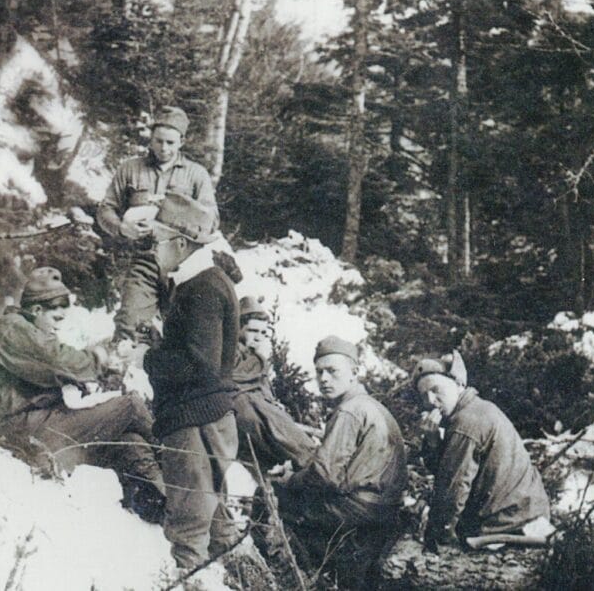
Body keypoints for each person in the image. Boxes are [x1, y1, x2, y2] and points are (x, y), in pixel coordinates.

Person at [0, 267, 166, 522]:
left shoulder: (24, 331)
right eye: (56, 319)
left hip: (36, 426)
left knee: (130, 440)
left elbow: (57, 366)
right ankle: (181, 463)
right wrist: (100, 357)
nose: (57, 328)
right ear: (36, 311)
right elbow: (60, 362)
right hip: (22, 430)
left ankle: (163, 501)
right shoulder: (12, 328)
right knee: (130, 406)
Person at [142, 193, 241, 570]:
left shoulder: (201, 287)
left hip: (193, 420)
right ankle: (241, 576)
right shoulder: (199, 281)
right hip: (207, 415)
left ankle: (190, 580)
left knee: (189, 525)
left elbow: (200, 365)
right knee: (216, 519)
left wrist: (147, 357)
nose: (152, 250)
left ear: (181, 243)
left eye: (156, 241)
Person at [263, 335, 407, 588]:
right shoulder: (371, 406)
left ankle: (303, 578)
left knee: (280, 502)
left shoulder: (349, 411)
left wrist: (289, 480)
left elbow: (325, 476)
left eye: (332, 371)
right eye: (319, 372)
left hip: (360, 509)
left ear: (354, 372)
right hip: (385, 508)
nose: (324, 379)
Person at [96, 106, 216, 343]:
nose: (164, 148)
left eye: (171, 142)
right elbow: (105, 209)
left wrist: (180, 218)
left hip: (185, 266)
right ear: (150, 139)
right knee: (129, 324)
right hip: (145, 259)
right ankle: (115, 377)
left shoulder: (196, 174)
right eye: (159, 141)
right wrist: (122, 228)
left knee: (187, 335)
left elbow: (211, 219)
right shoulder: (130, 169)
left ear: (182, 141)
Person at [415, 355, 552, 550]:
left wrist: (440, 535)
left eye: (436, 390)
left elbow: (453, 487)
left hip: (510, 524)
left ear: (459, 384)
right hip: (524, 512)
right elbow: (449, 471)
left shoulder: (467, 422)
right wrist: (433, 441)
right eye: (423, 395)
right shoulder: (474, 409)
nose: (430, 400)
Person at [232, 295, 316, 472]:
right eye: (253, 330)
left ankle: (312, 459)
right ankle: (312, 460)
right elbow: (237, 377)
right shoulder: (232, 351)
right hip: (242, 408)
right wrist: (260, 358)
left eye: (263, 333)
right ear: (238, 328)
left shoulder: (253, 356)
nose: (258, 337)